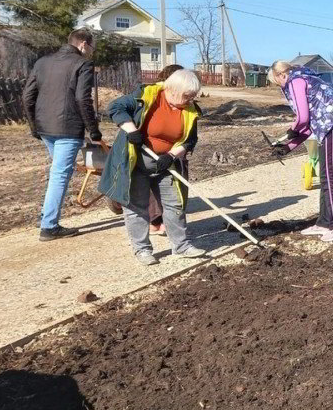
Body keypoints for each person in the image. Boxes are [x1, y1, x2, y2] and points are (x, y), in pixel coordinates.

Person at [99, 69, 206, 266]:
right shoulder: (146, 96)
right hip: (136, 163)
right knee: (137, 207)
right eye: (187, 95)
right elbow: (115, 107)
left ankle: (181, 246)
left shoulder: (190, 110)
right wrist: (131, 130)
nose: (191, 99)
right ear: (172, 89)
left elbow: (190, 140)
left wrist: (172, 155)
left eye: (193, 95)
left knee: (174, 205)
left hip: (166, 165)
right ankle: (142, 250)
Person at [21, 28, 101, 240]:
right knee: (59, 176)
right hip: (68, 128)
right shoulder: (82, 64)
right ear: (83, 44)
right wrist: (94, 131)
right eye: (92, 47)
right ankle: (49, 226)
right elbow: (82, 100)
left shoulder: (42, 62)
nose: (92, 51)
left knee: (57, 172)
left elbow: (27, 97)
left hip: (45, 128)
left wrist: (34, 126)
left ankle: (48, 219)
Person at [269, 59, 333, 243]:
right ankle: (324, 222)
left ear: (280, 75)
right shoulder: (307, 78)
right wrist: (287, 148)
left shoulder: (295, 81)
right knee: (325, 176)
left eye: (278, 83)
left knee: (329, 176)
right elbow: (308, 126)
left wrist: (293, 128)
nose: (280, 87)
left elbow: (302, 118)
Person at [146, 63, 186, 233]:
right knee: (154, 186)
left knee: (176, 188)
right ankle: (155, 220)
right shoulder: (153, 96)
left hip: (175, 150)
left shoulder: (183, 100)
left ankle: (171, 224)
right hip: (153, 152)